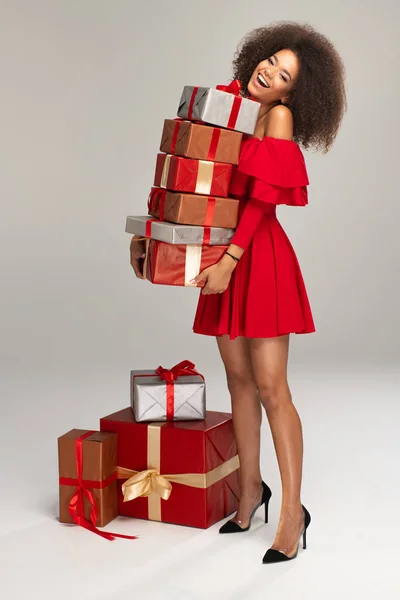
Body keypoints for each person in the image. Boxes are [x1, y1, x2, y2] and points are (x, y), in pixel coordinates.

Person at [130, 21, 346, 563]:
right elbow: (187, 176)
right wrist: (150, 235)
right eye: (269, 60)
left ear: (293, 94)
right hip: (221, 254)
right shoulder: (225, 104)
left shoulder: (277, 116)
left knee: (273, 389)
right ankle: (250, 489)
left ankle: (293, 513)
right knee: (239, 382)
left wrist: (228, 260)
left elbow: (262, 201)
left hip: (254, 255)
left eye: (283, 75)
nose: (268, 72)